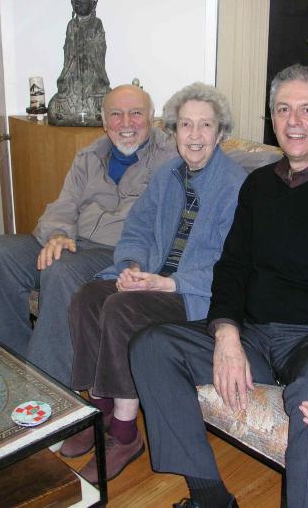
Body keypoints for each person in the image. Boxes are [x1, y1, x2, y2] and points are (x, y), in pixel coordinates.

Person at [129, 64, 308, 508]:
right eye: (283, 109)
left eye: (307, 110)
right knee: (151, 346)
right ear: (272, 119)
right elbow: (231, 268)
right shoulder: (257, 188)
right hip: (254, 334)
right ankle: (210, 497)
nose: (293, 121)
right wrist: (227, 334)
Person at [59, 83, 248, 484]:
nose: (194, 135)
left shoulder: (236, 187)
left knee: (121, 308)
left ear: (220, 133)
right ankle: (102, 411)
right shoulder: (167, 175)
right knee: (89, 296)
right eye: (185, 125)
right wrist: (130, 266)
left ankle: (125, 435)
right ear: (174, 131)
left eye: (205, 126)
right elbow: (137, 231)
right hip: (155, 279)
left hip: (196, 295)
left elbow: (235, 266)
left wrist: (167, 284)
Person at [0, 84, 177, 386]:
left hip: (118, 253)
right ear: (104, 121)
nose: (126, 123)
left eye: (136, 113)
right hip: (76, 242)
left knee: (61, 269)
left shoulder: (170, 158)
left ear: (152, 118)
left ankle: (46, 388)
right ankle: (7, 364)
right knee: (1, 251)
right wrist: (59, 235)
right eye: (116, 114)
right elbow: (64, 204)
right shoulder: (90, 155)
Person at [47, 0, 110, 125]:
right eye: (77, 3)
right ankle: (68, 110)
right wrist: (75, 48)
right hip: (74, 68)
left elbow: (100, 47)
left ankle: (95, 109)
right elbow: (68, 49)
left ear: (92, 4)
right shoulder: (71, 25)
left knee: (101, 92)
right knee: (62, 95)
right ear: (73, 5)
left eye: (84, 3)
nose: (80, 6)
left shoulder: (97, 24)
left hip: (92, 69)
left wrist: (89, 46)